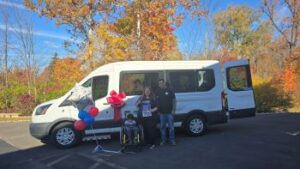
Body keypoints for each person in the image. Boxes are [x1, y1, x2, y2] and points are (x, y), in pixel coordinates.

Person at [156, 79, 176, 146]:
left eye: (161, 83)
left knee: (171, 127)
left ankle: (172, 140)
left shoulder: (170, 90)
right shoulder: (158, 91)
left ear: (164, 83)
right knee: (162, 127)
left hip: (170, 112)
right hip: (162, 113)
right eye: (159, 84)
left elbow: (174, 100)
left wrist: (173, 109)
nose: (160, 85)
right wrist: (158, 111)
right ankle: (163, 140)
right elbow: (157, 102)